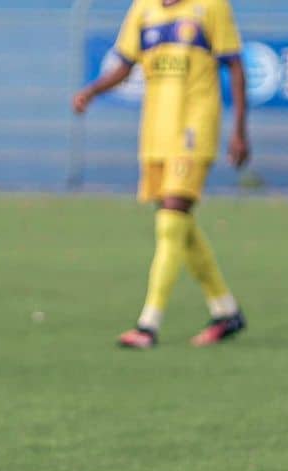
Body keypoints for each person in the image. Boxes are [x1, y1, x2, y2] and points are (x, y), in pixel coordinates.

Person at [74, 0, 250, 348]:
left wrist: (239, 130)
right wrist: (92, 91)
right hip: (156, 133)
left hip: (194, 129)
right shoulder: (143, 9)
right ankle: (225, 311)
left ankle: (148, 325)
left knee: (171, 220)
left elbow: (235, 66)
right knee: (178, 225)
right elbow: (125, 66)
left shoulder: (211, 6)